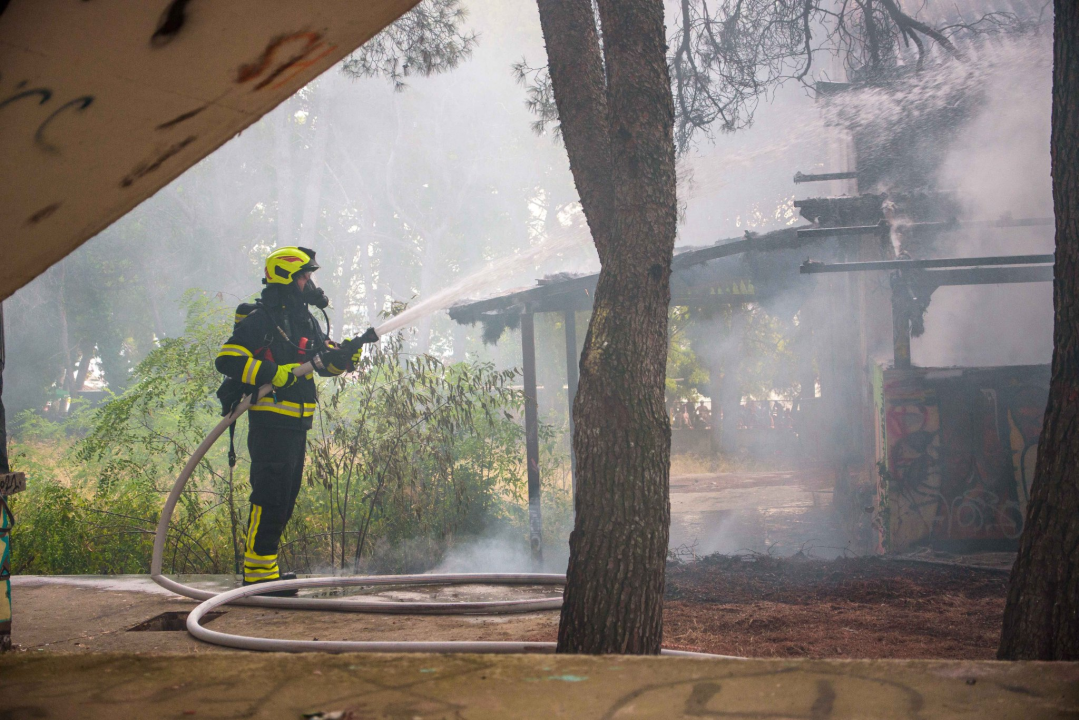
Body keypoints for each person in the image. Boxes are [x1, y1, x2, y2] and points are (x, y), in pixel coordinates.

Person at [215, 247, 376, 596]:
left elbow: (322, 366)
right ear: (287, 278)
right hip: (270, 422)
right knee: (269, 496)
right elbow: (228, 359)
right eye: (304, 276)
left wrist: (345, 357)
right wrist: (275, 373)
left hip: (297, 423)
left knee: (285, 499)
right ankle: (256, 576)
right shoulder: (261, 318)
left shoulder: (305, 320)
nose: (309, 283)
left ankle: (266, 571)